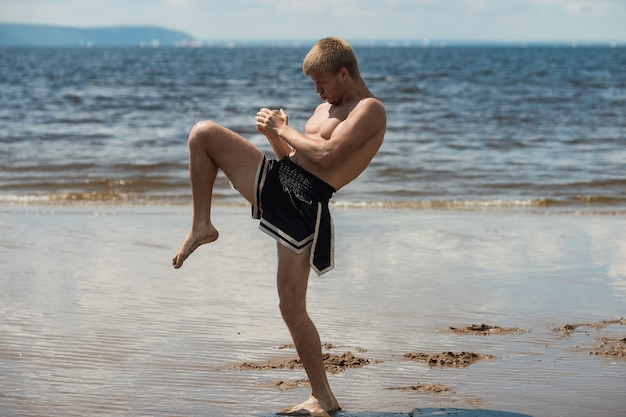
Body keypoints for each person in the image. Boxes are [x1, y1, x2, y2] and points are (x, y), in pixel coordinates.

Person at [172, 37, 386, 416]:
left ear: (343, 72)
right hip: (280, 178)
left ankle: (323, 398)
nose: (317, 90)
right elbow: (296, 156)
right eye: (313, 84)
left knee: (291, 306)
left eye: (322, 82)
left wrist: (282, 128)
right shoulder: (324, 108)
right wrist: (275, 136)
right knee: (202, 133)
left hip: (305, 202)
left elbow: (328, 156)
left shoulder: (370, 110)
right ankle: (201, 225)